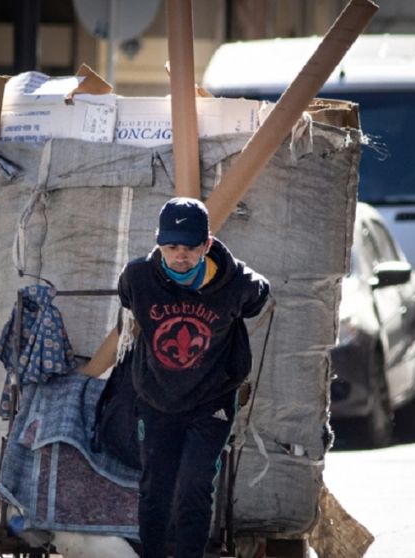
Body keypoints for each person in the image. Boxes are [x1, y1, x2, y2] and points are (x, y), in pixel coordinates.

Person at [114, 196, 270, 558]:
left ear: (207, 245)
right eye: (171, 247)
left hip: (211, 399)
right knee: (156, 487)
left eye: (189, 247)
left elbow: (259, 297)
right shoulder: (137, 278)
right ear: (159, 244)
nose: (180, 255)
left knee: (195, 484)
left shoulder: (236, 283)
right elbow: (127, 300)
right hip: (156, 398)